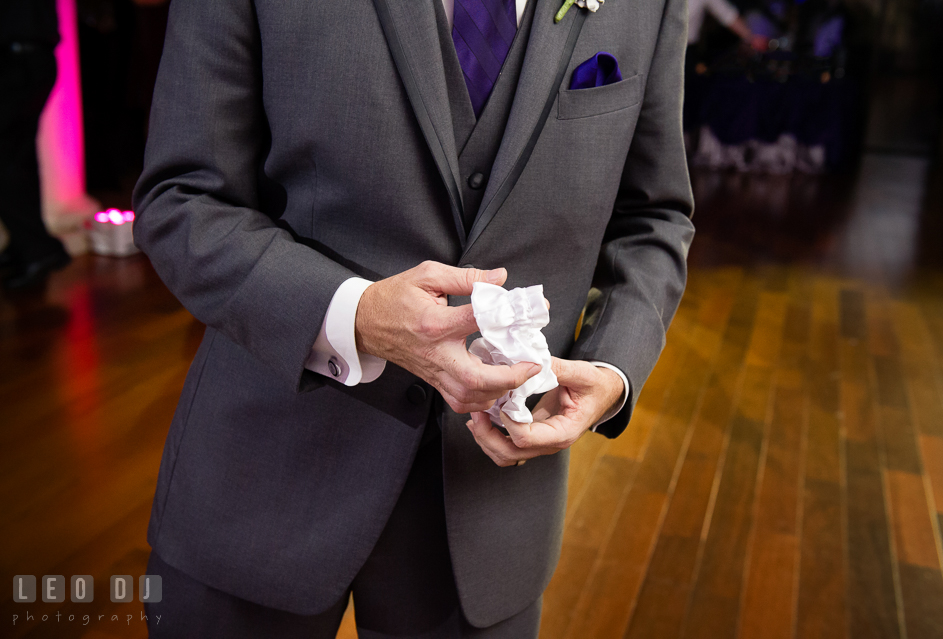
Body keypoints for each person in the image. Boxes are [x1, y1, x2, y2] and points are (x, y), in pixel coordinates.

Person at [132, 0, 694, 636]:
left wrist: (612, 366)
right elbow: (181, 198)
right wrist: (355, 316)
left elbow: (654, 220)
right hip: (262, 475)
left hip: (487, 511)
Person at [0, 0, 71, 290]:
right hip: (31, 55)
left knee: (9, 157)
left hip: (18, 56)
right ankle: (25, 246)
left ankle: (38, 249)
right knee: (20, 155)